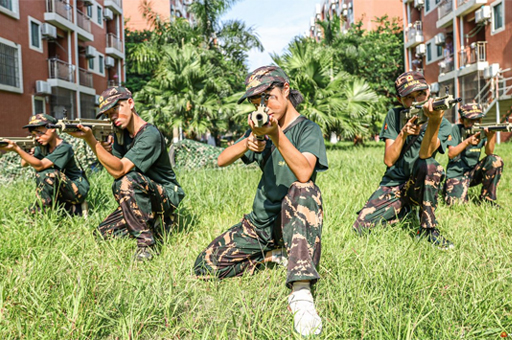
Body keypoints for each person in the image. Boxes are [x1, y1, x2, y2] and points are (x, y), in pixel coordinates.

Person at [193, 66, 328, 336]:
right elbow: (221, 159)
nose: (264, 106)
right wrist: (250, 141)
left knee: (305, 189)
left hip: (295, 221)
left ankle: (301, 292)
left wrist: (275, 135)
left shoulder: (307, 130)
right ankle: (271, 257)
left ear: (286, 90)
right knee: (204, 266)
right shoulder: (261, 128)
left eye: (268, 98)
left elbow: (304, 171)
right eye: (257, 103)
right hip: (260, 225)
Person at [67, 86, 185, 261]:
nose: (112, 117)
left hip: (166, 195)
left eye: (115, 109)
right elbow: (114, 172)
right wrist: (104, 149)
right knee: (103, 234)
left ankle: (146, 245)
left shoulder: (149, 134)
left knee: (127, 181)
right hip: (141, 194)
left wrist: (92, 141)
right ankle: (155, 223)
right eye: (108, 115)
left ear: (130, 103)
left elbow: (120, 171)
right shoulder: (121, 135)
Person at [352, 71, 454, 249]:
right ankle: (405, 211)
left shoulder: (444, 124)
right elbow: (389, 160)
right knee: (361, 226)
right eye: (409, 97)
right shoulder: (394, 115)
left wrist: (434, 122)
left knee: (431, 166)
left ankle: (428, 228)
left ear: (428, 92)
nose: (416, 101)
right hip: (395, 183)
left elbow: (425, 154)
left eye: (421, 94)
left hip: (419, 183)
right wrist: (403, 133)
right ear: (400, 100)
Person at [0, 114, 89, 215]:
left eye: (40, 133)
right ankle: (73, 209)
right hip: (60, 191)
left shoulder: (64, 148)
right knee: (27, 212)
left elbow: (40, 165)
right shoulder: (42, 146)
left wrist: (17, 149)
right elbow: (24, 163)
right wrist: (27, 152)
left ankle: (44, 210)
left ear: (52, 129)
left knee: (46, 174)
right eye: (34, 134)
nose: (37, 137)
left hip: (76, 190)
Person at [444, 103, 503, 207]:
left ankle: (487, 199)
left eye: (478, 120)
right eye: (470, 120)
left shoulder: (481, 131)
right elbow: (451, 154)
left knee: (495, 160)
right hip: (456, 175)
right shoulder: (456, 130)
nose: (475, 124)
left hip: (473, 173)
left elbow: (489, 153)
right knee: (457, 205)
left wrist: (490, 137)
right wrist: (467, 142)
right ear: (461, 120)